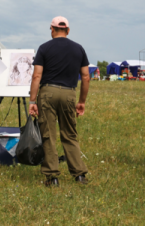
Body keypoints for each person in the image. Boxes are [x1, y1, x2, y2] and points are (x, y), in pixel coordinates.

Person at [28, 16, 90, 187]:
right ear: (68, 31)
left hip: (47, 92)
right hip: (69, 93)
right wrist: (82, 101)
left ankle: (52, 177)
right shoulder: (79, 49)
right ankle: (79, 175)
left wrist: (32, 101)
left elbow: (37, 76)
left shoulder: (44, 48)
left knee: (48, 135)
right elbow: (86, 76)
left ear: (52, 29)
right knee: (70, 134)